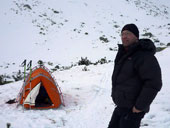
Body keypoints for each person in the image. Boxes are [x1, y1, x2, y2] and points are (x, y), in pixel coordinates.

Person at [108, 23, 162, 128]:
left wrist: (139, 106)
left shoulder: (144, 56)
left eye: (128, 34)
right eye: (122, 34)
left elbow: (154, 83)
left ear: (136, 36)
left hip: (133, 110)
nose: (124, 37)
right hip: (121, 106)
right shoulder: (124, 53)